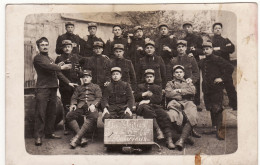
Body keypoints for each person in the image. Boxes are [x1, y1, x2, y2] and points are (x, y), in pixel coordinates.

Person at [33, 37, 73, 146]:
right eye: (42, 45)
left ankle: (49, 133)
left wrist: (68, 82)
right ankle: (38, 136)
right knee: (41, 112)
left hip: (53, 87)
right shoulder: (38, 58)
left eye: (46, 44)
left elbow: (57, 73)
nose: (45, 46)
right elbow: (48, 67)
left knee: (52, 112)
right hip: (43, 88)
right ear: (38, 47)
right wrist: (61, 67)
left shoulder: (50, 59)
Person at [199, 41, 234, 140]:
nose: (205, 51)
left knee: (217, 108)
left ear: (212, 49)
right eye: (204, 49)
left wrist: (222, 78)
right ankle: (214, 128)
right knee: (210, 107)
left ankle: (220, 131)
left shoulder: (217, 59)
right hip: (206, 88)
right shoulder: (202, 62)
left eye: (207, 49)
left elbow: (230, 68)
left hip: (216, 88)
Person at [135, 69, 175, 149]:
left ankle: (169, 140)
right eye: (147, 77)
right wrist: (144, 94)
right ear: (145, 78)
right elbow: (135, 97)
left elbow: (158, 99)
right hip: (142, 108)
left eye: (151, 77)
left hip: (154, 106)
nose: (149, 78)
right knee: (146, 109)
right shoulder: (140, 86)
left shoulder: (157, 87)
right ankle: (158, 130)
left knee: (164, 115)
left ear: (154, 78)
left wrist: (147, 100)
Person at [165, 65, 198, 151]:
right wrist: (183, 94)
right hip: (174, 103)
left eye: (180, 72)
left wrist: (179, 91)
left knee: (192, 116)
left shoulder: (188, 82)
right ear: (174, 74)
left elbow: (193, 91)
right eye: (177, 72)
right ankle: (185, 137)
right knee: (172, 115)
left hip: (188, 103)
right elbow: (168, 94)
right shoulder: (170, 83)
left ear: (183, 73)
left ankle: (181, 140)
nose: (179, 74)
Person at [66, 70, 102, 148]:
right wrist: (73, 104)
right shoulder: (79, 88)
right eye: (84, 77)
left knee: (93, 116)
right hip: (80, 106)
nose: (85, 79)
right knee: (69, 115)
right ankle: (81, 138)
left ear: (91, 78)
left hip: (91, 106)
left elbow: (99, 98)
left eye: (87, 77)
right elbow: (74, 97)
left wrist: (93, 105)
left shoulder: (96, 87)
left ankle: (76, 138)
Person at [55, 40, 81, 135]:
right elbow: (58, 73)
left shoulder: (76, 57)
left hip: (76, 86)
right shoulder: (59, 58)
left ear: (72, 48)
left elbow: (80, 70)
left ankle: (77, 126)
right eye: (65, 47)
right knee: (66, 106)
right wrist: (68, 82)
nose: (67, 48)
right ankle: (67, 127)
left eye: (69, 46)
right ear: (62, 48)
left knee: (77, 105)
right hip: (65, 86)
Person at [211, 22, 237, 110]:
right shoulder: (210, 41)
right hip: (215, 67)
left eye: (219, 28)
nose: (217, 29)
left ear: (221, 30)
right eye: (215, 28)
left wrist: (219, 48)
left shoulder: (226, 40)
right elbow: (210, 51)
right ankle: (217, 105)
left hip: (226, 67)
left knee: (230, 86)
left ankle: (234, 105)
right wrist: (224, 49)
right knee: (215, 87)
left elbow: (232, 49)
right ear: (213, 30)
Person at [182, 21, 204, 111]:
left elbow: (202, 51)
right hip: (186, 62)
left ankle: (197, 103)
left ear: (192, 27)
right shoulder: (183, 39)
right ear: (184, 29)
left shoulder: (198, 38)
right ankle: (188, 103)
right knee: (187, 80)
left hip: (196, 62)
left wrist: (195, 50)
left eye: (189, 27)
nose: (187, 29)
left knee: (196, 81)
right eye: (186, 27)